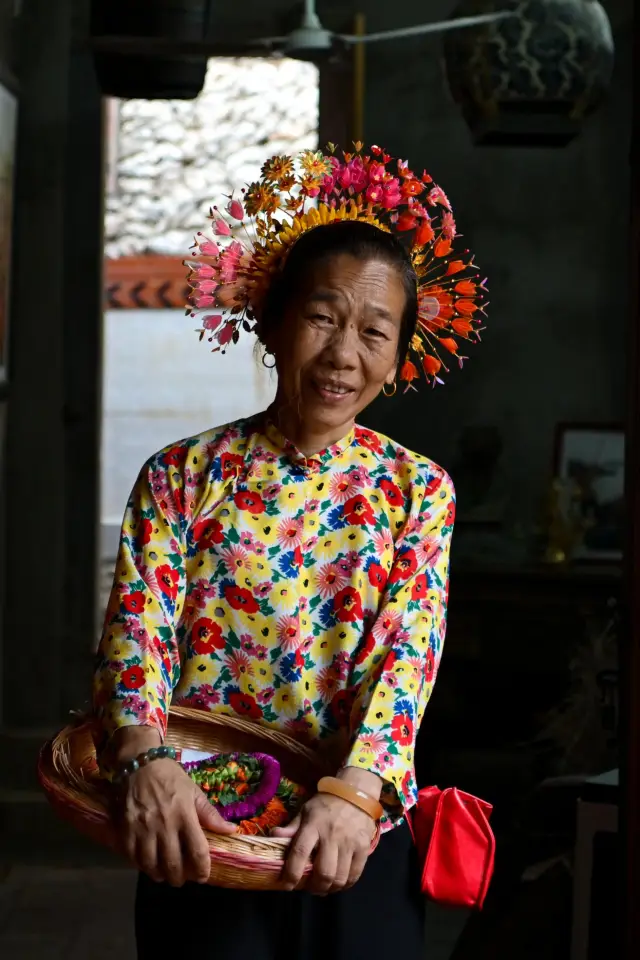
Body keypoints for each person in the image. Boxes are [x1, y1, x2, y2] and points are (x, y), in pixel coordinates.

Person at [92, 143, 486, 958]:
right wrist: (143, 760)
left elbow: (407, 654)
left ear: (399, 356)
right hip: (201, 824)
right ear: (271, 323)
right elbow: (138, 632)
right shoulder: (181, 475)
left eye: (374, 331)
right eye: (322, 317)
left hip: (353, 829)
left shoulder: (418, 490)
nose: (344, 353)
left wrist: (357, 792)